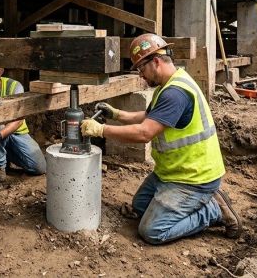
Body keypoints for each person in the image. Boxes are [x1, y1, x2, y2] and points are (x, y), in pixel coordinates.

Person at [79, 33, 241, 244]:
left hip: (193, 179)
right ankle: (195, 202)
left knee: (152, 230)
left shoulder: (175, 94)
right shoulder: (169, 84)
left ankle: (212, 211)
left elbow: (144, 132)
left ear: (155, 61)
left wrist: (101, 130)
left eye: (141, 69)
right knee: (139, 206)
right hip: (173, 172)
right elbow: (150, 117)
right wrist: (117, 114)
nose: (141, 75)